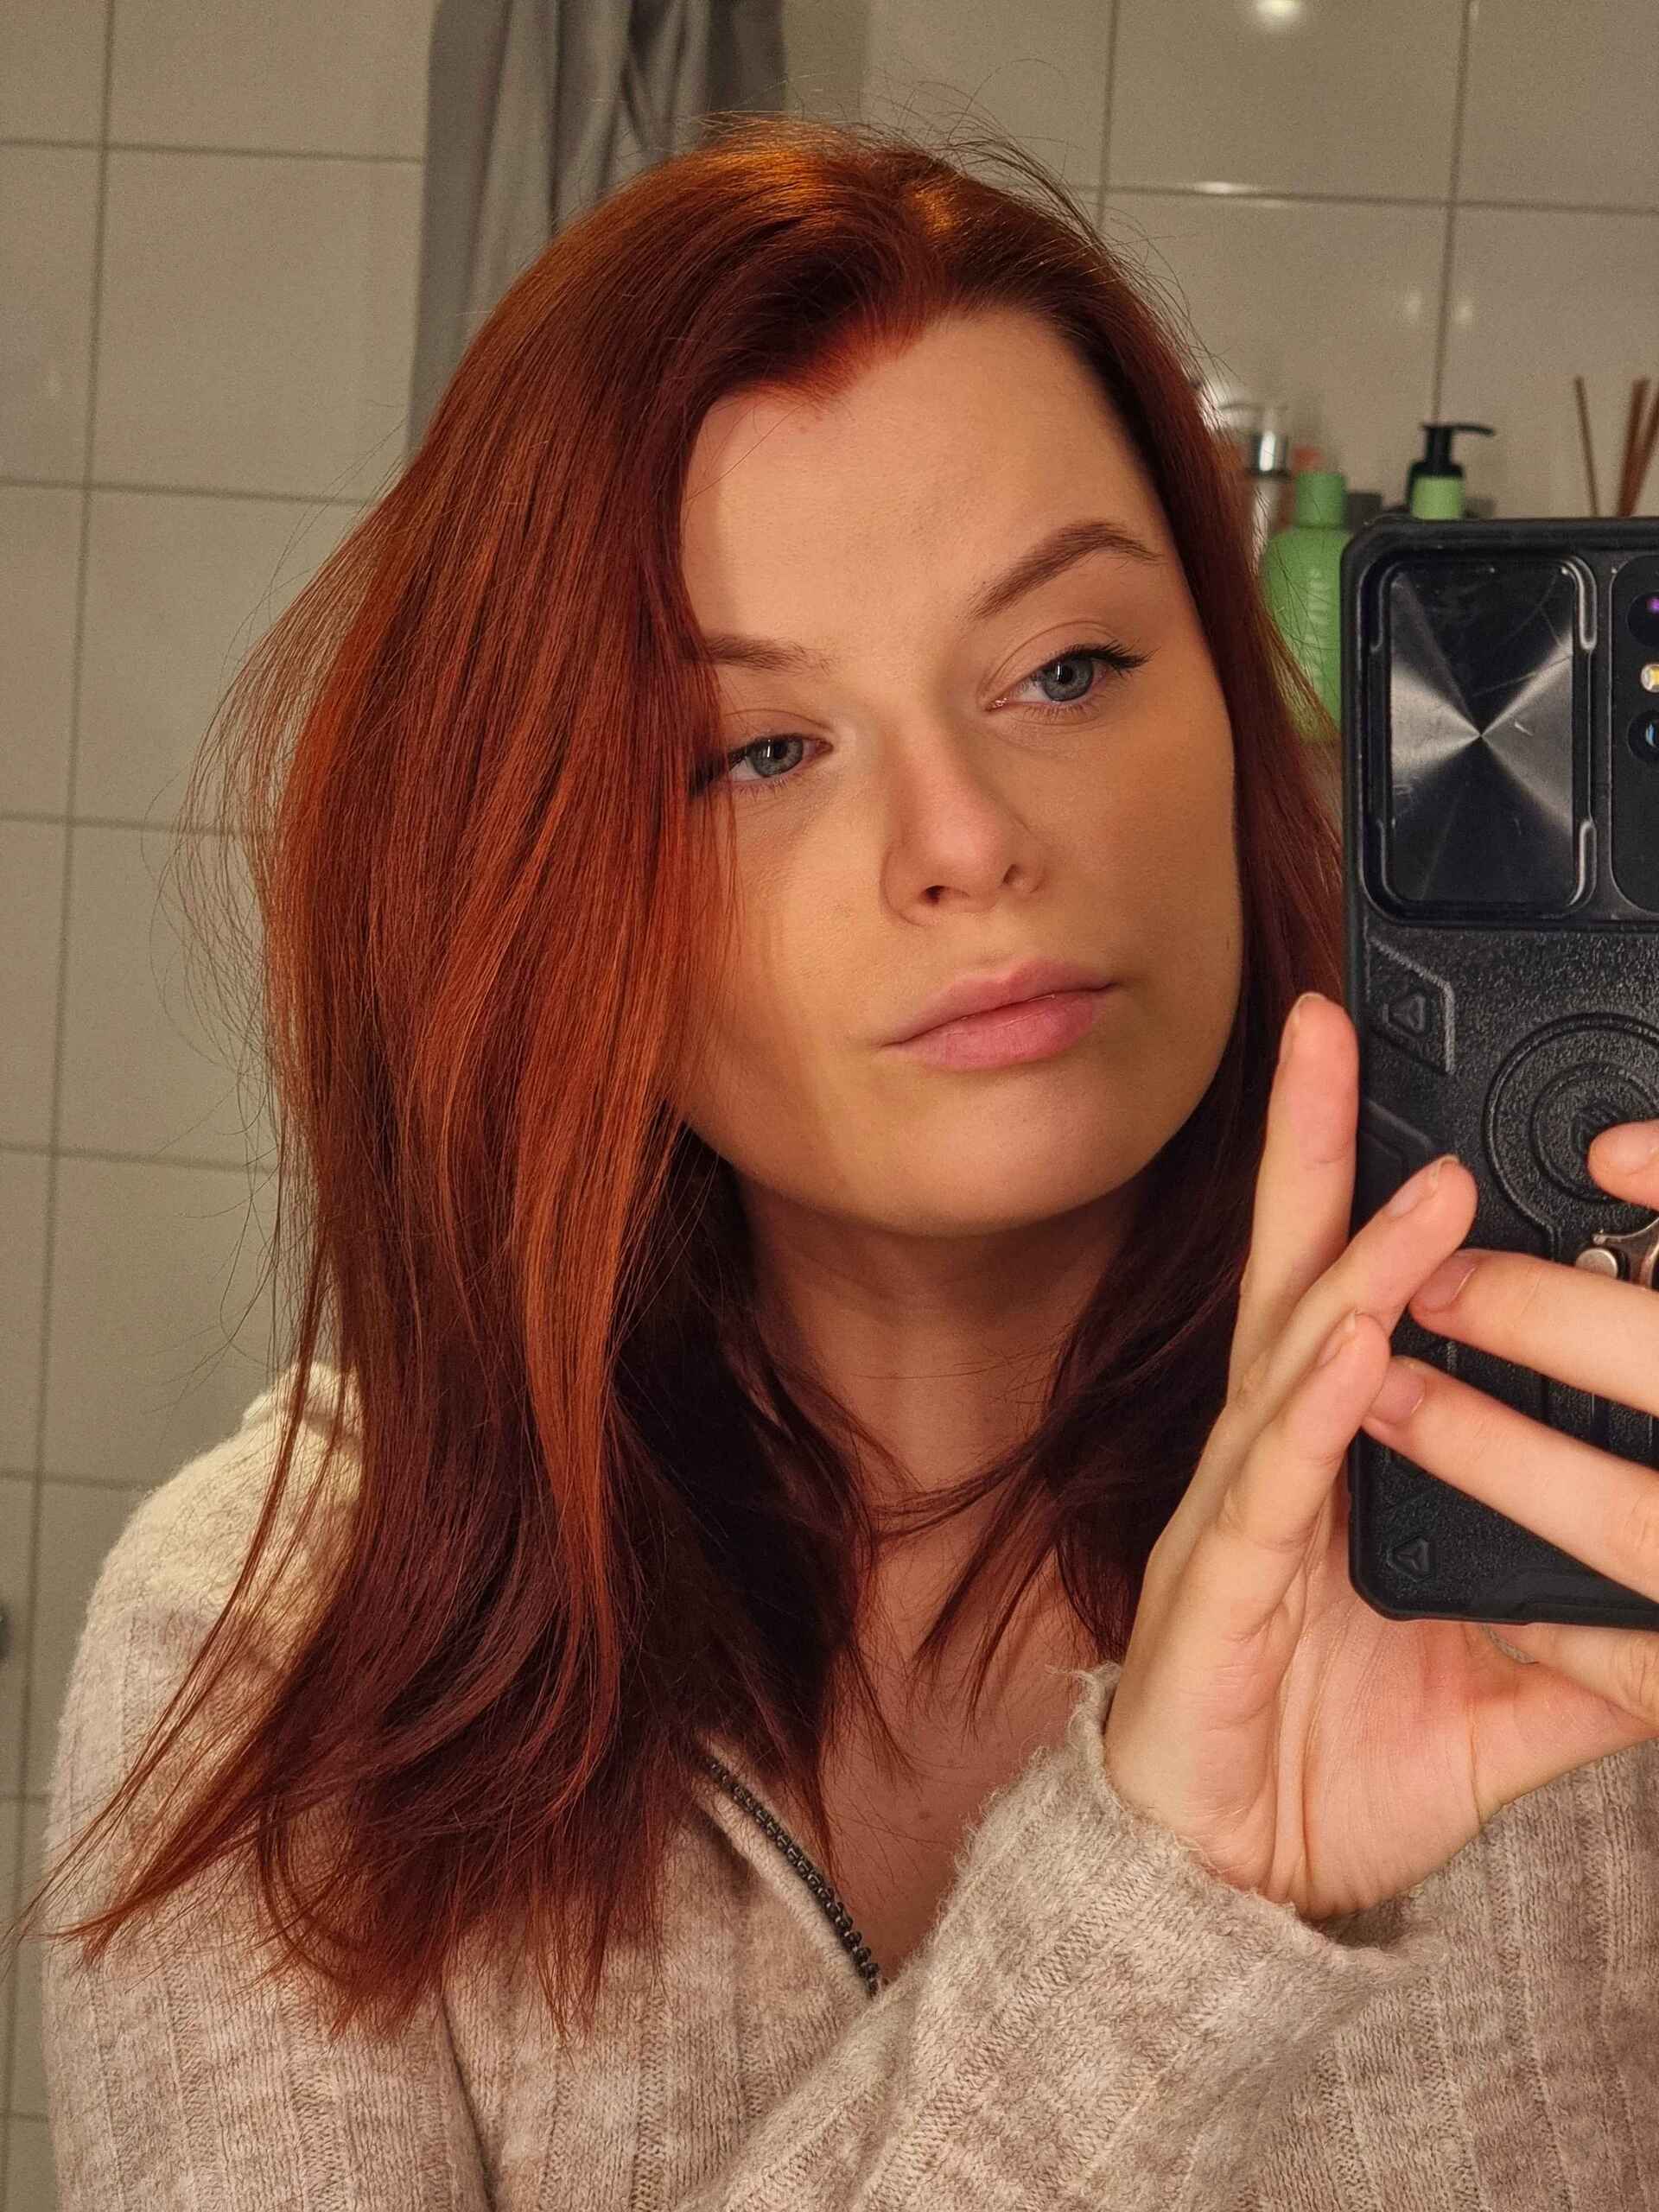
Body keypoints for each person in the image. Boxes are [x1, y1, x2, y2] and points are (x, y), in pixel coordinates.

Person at [13, 111, 1659, 2210]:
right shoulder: (272, 1653)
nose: (964, 838)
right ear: (534, 885)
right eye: (760, 750)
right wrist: (1167, 1901)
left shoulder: (1576, 1475)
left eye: (1068, 668)